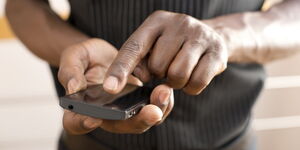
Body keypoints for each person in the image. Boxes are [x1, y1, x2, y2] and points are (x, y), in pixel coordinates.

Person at [5, 0, 300, 149]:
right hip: (89, 144)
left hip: (227, 139)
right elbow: (22, 6)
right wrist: (73, 48)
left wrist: (222, 37)